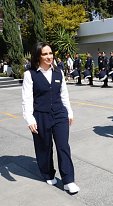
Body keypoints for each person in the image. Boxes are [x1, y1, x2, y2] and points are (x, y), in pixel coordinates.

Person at [21, 42, 80, 194]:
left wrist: (70, 112)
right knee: (44, 147)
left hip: (60, 114)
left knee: (63, 146)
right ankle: (47, 173)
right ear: (38, 56)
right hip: (41, 115)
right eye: (45, 54)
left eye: (50, 53)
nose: (49, 56)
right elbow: (26, 99)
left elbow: (64, 94)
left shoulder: (59, 72)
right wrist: (30, 119)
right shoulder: (30, 74)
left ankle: (68, 180)